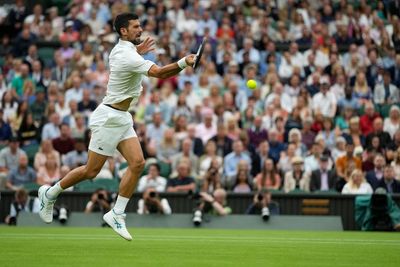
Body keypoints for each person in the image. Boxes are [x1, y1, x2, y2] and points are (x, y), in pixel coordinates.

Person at [38, 13, 196, 241]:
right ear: (123, 31)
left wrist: (139, 51)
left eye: (140, 25)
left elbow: (133, 56)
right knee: (91, 171)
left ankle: (117, 213)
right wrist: (185, 62)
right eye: (135, 27)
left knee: (138, 163)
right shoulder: (125, 55)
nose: (140, 30)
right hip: (108, 118)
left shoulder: (125, 50)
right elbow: (160, 73)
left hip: (122, 117)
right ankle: (50, 193)